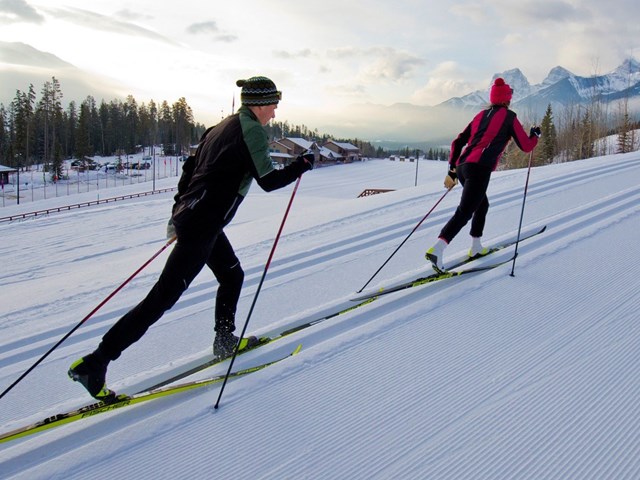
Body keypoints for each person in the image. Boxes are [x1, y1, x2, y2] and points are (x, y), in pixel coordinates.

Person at [69, 76, 315, 401]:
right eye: (273, 104)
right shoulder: (250, 129)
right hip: (201, 224)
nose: (274, 111)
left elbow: (190, 168)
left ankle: (224, 340)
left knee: (232, 274)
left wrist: (177, 214)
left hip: (200, 220)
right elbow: (269, 180)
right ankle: (96, 362)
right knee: (161, 299)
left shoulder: (222, 126)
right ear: (258, 104)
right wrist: (303, 164)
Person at [426, 77, 540, 272]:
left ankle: (476, 247)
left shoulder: (480, 115)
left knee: (482, 204)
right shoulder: (509, 117)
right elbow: (526, 146)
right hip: (479, 169)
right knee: (465, 211)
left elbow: (457, 142)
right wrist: (535, 136)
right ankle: (438, 249)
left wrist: (452, 170)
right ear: (507, 99)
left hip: (463, 166)